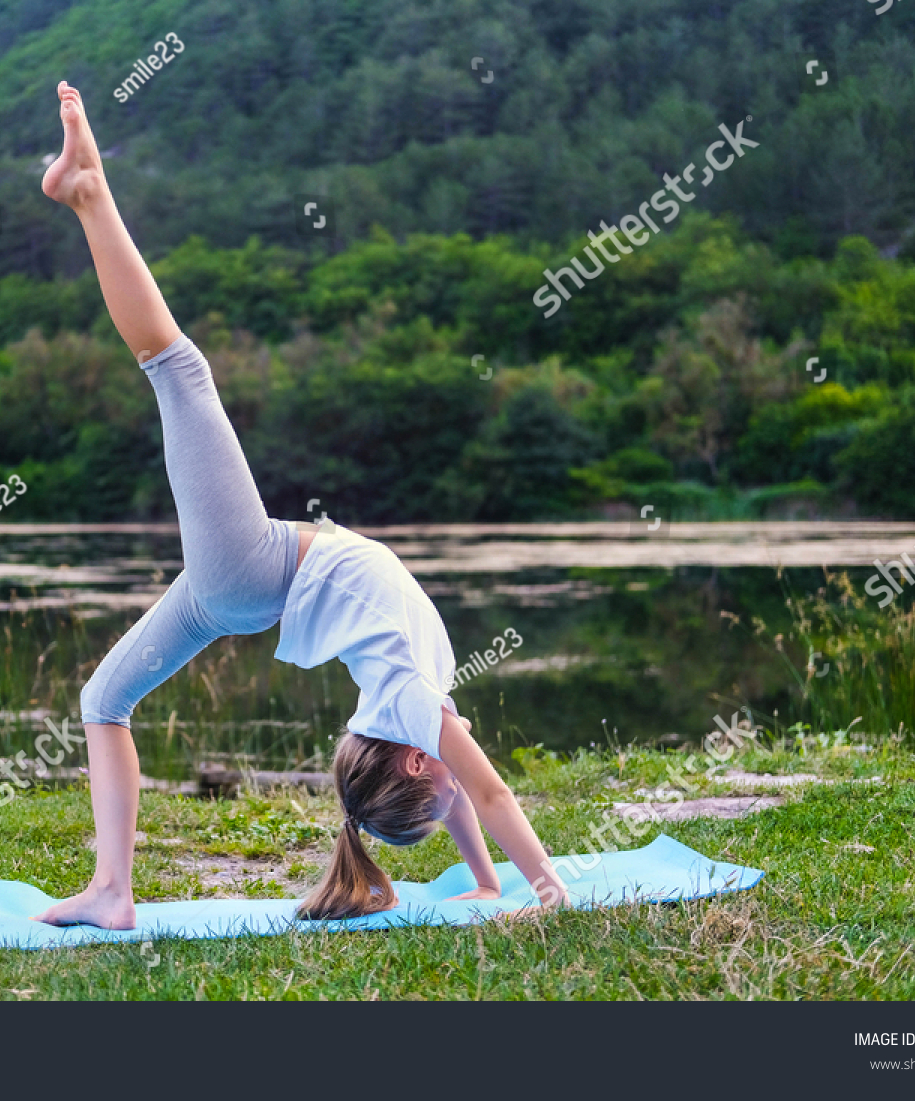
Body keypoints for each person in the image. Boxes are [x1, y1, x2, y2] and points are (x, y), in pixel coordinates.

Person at [31, 81, 570, 928]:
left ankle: (90, 193)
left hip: (255, 567)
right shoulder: (416, 714)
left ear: (421, 764)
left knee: (177, 368)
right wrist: (498, 884)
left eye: (439, 776)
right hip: (247, 583)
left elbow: (486, 790)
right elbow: (472, 796)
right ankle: (111, 891)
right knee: (103, 702)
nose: (455, 772)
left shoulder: (413, 712)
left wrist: (546, 886)